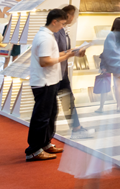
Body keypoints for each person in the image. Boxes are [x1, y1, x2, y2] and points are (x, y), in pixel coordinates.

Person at [26, 8, 76, 162]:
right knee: (41, 117)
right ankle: (34, 150)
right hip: (44, 82)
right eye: (62, 24)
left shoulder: (48, 36)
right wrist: (65, 57)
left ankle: (45, 143)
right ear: (54, 22)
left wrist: (68, 53)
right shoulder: (45, 38)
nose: (62, 27)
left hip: (50, 81)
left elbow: (51, 56)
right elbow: (45, 61)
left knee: (50, 113)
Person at [55, 5, 94, 138]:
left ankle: (76, 129)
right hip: (55, 74)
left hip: (62, 73)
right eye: (75, 16)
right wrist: (72, 52)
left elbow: (63, 51)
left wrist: (76, 52)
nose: (75, 19)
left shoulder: (64, 30)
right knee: (54, 106)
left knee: (68, 101)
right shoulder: (57, 31)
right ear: (69, 15)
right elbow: (55, 53)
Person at [97, 17, 120, 113]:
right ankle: (119, 106)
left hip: (109, 63)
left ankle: (101, 107)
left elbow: (106, 51)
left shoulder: (111, 35)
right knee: (118, 84)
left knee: (105, 84)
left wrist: (103, 65)